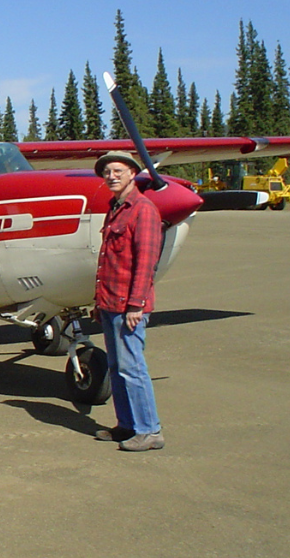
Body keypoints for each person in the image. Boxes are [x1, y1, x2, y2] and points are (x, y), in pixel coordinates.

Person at [92, 151, 165, 452]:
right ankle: (126, 425)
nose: (111, 176)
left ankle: (150, 431)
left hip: (128, 306)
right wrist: (99, 303)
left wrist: (136, 305)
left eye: (118, 170)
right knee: (116, 366)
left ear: (133, 173)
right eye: (107, 171)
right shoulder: (115, 208)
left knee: (132, 367)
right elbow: (107, 261)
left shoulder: (143, 210)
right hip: (110, 303)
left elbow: (146, 262)